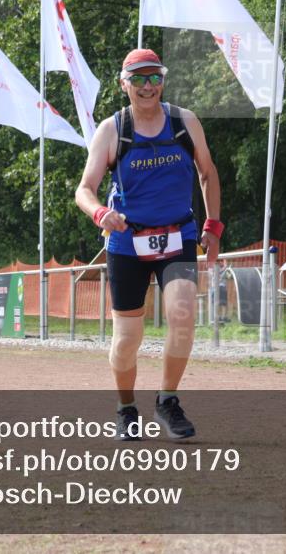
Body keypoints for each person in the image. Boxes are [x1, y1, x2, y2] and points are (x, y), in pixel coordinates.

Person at [75, 48, 221, 441]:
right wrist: (100, 213)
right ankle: (126, 408)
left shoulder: (183, 122)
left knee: (183, 315)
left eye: (154, 77)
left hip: (178, 236)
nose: (147, 86)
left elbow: (207, 173)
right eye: (138, 79)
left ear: (163, 81)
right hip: (127, 242)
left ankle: (167, 400)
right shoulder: (112, 130)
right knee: (127, 340)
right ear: (124, 84)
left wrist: (212, 226)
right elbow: (85, 189)